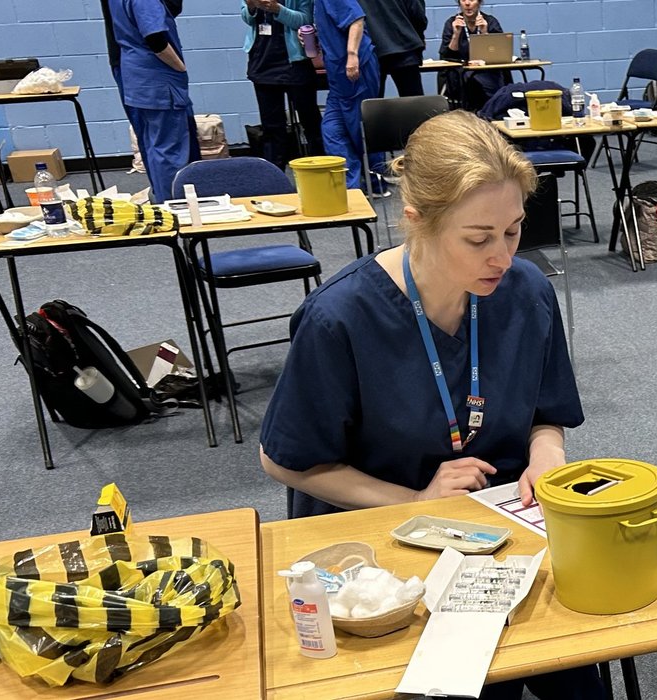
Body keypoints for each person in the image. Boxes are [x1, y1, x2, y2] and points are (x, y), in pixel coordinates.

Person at [259, 109, 598, 700]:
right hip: (384, 555)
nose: (502, 256)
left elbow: (547, 412)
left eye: (514, 231)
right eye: (478, 238)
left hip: (494, 537)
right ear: (417, 221)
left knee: (578, 663)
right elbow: (286, 461)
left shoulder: (527, 294)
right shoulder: (341, 318)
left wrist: (547, 457)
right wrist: (414, 501)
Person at [106, 0, 200, 201]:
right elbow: (156, 39)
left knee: (153, 146)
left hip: (135, 77)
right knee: (170, 151)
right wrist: (179, 67)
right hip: (157, 78)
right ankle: (177, 207)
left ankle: (162, 202)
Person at [241, 0, 325, 168]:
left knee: (310, 121)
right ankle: (275, 176)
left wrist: (277, 10)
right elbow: (247, 19)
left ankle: (321, 167)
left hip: (295, 63)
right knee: (271, 127)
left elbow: (304, 20)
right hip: (262, 62)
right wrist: (251, 8)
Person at [315, 0, 383, 191]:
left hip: (354, 71)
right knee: (331, 131)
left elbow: (357, 19)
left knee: (358, 130)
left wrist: (352, 55)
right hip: (338, 75)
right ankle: (351, 188)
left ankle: (376, 181)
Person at [439, 0, 510, 111]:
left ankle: (494, 110)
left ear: (479, 2)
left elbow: (497, 53)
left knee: (492, 78)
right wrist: (456, 34)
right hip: (461, 73)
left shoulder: (490, 21)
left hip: (487, 71)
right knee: (469, 78)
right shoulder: (451, 22)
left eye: (472, 0)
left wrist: (484, 33)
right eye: (463, 0)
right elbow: (447, 56)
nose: (467, 3)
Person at [357, 0, 428, 98]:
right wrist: (419, 36)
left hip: (371, 47)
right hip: (404, 44)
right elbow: (417, 14)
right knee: (414, 103)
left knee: (372, 106)